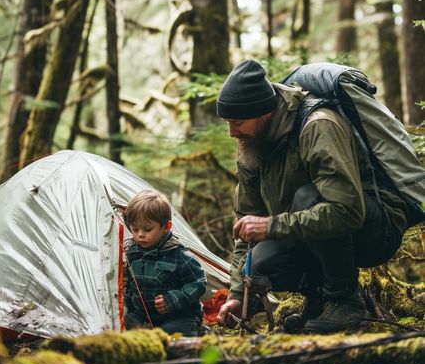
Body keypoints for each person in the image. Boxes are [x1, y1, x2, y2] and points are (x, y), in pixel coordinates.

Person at [215, 59, 409, 334]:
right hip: (317, 234)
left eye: (237, 122)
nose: (232, 132)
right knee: (260, 262)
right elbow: (246, 227)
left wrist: (271, 226)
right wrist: (236, 295)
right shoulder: (251, 146)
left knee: (309, 198)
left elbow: (346, 210)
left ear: (265, 113)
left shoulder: (317, 125)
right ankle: (320, 301)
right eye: (227, 122)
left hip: (376, 229)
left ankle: (345, 300)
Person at [123, 190, 207, 336]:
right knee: (124, 326)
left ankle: (198, 331)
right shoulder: (131, 253)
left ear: (166, 227)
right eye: (134, 229)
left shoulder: (179, 254)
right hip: (144, 315)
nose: (140, 234)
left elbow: (198, 283)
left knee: (172, 333)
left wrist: (172, 300)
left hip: (179, 315)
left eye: (147, 229)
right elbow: (128, 287)